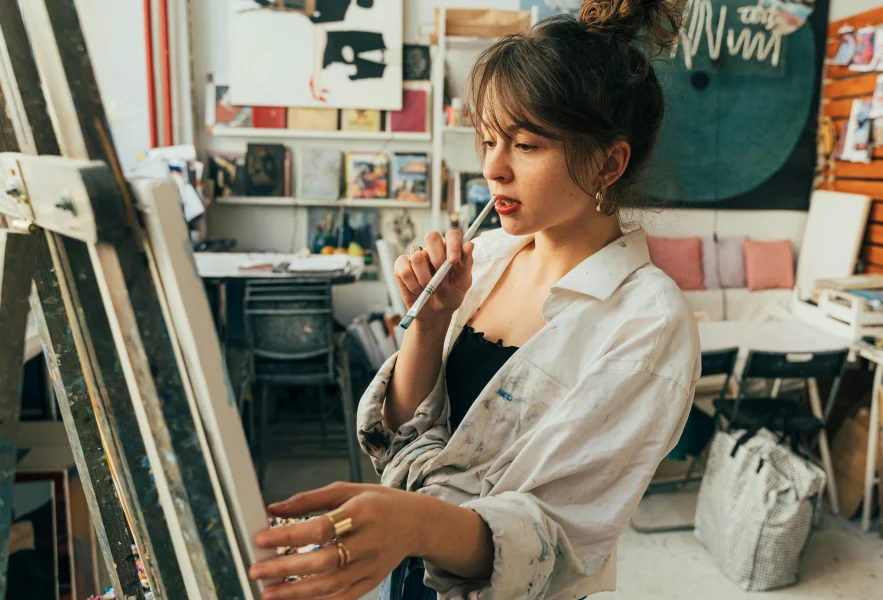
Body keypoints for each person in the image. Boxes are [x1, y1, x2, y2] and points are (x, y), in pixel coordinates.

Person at [249, 1, 700, 598]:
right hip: (403, 563)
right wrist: (429, 324)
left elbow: (555, 539)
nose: (493, 168)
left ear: (609, 162)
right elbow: (405, 437)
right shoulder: (484, 260)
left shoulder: (646, 321)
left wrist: (413, 521)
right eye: (488, 140)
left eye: (527, 145)